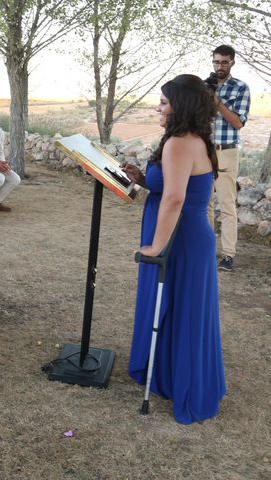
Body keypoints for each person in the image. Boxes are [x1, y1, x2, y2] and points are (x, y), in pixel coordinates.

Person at [122, 74, 225, 424]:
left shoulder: (179, 142)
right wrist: (141, 177)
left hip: (180, 240)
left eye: (164, 102)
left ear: (180, 105)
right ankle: (169, 373)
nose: (159, 107)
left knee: (180, 308)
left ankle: (180, 381)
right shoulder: (193, 139)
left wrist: (156, 246)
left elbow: (176, 198)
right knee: (176, 309)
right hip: (188, 235)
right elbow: (174, 185)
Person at [206, 45, 251, 272]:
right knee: (205, 202)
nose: (219, 66)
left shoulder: (240, 88)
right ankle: (205, 249)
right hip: (204, 150)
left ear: (232, 62)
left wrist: (218, 103)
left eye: (224, 62)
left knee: (226, 204)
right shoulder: (205, 86)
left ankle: (228, 255)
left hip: (227, 151)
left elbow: (238, 123)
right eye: (216, 62)